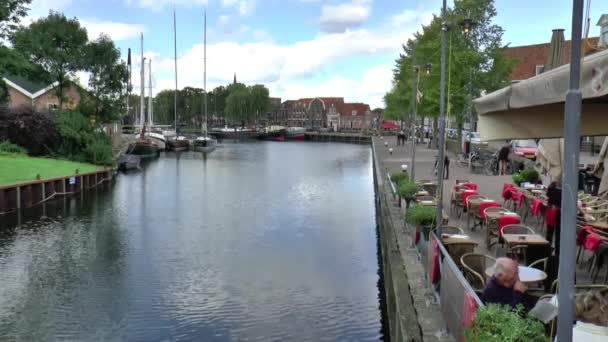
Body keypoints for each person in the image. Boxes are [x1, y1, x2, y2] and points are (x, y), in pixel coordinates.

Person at [546, 179, 562, 255]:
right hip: (559, 212)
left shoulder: (550, 189)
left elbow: (547, 197)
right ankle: (557, 252)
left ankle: (547, 250)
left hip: (550, 211)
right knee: (558, 233)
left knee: (549, 233)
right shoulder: (562, 192)